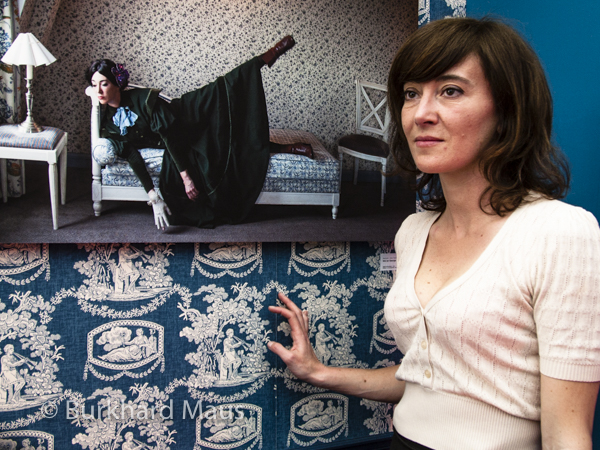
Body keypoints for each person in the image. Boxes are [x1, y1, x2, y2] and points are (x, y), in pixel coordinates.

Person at [267, 17, 600, 450]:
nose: (421, 114)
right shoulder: (414, 231)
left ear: (507, 111)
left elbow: (566, 435)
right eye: (411, 94)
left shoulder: (559, 233)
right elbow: (427, 381)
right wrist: (318, 372)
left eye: (451, 90)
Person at [86, 36, 313, 230]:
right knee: (225, 142)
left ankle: (266, 57)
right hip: (181, 140)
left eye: (104, 84)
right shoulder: (108, 126)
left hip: (185, 114)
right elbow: (132, 155)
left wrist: (186, 178)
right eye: (94, 85)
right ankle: (288, 148)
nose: (99, 91)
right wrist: (152, 194)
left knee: (220, 89)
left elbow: (168, 136)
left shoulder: (142, 98)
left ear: (117, 83)